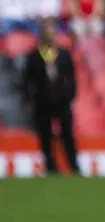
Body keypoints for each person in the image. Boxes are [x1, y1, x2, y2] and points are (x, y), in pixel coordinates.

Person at [22, 19, 79, 176]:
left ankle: (73, 166)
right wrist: (28, 99)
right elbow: (27, 80)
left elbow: (71, 76)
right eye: (47, 31)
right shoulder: (34, 56)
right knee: (45, 135)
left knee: (67, 134)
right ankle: (51, 167)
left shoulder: (63, 54)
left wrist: (71, 94)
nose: (51, 35)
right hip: (43, 101)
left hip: (62, 100)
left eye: (52, 31)